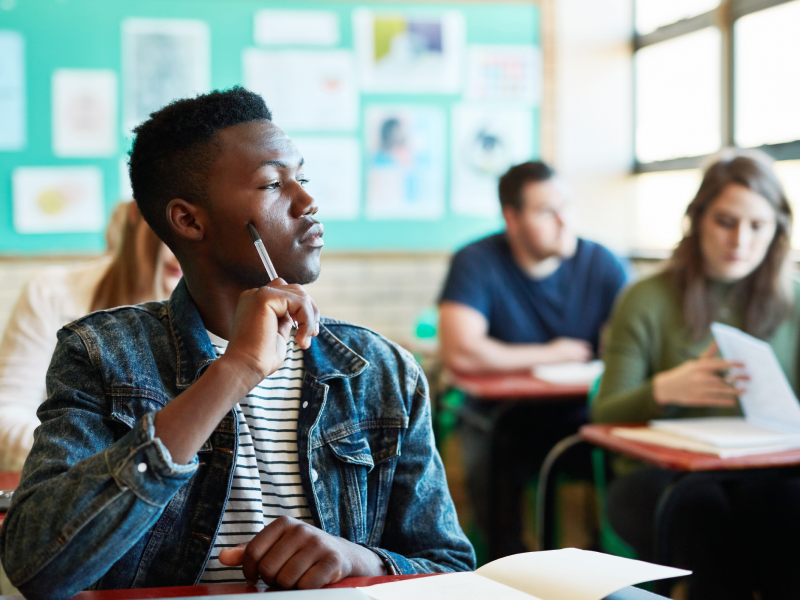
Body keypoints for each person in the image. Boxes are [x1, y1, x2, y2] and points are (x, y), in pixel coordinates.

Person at [0, 87, 474, 600]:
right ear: (188, 220)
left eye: (303, 177)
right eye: (272, 184)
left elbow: (448, 567)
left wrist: (357, 559)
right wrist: (236, 370)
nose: (308, 201)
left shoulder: (380, 370)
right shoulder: (100, 354)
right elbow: (38, 568)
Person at [592, 150, 800, 600]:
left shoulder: (794, 301)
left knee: (787, 515)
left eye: (757, 226)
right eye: (726, 221)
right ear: (698, 220)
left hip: (768, 474)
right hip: (658, 476)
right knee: (704, 518)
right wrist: (662, 390)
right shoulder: (646, 298)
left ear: (777, 231)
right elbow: (602, 412)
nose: (740, 240)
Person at [438, 161, 628, 559]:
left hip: (584, 413)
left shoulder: (603, 263)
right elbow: (462, 350)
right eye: (546, 211)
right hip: (502, 419)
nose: (564, 221)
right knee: (486, 450)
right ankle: (502, 565)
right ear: (512, 218)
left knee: (628, 443)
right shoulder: (476, 261)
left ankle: (605, 561)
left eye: (567, 207)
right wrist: (551, 353)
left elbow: (634, 347)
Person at [0, 200, 182, 471]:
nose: (182, 251)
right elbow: (7, 416)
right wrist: (109, 462)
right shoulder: (53, 293)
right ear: (136, 212)